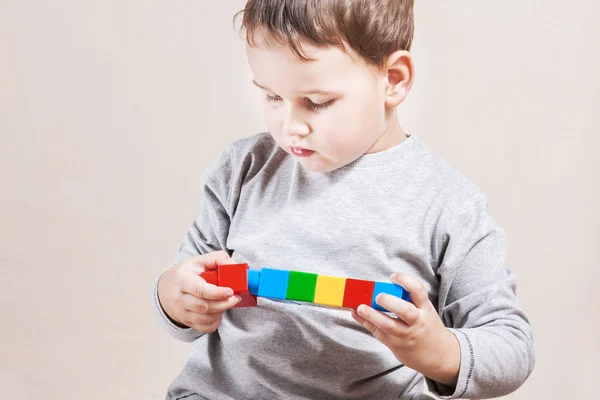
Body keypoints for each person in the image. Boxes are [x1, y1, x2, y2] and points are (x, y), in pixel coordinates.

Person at [153, 1, 535, 399]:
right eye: (272, 97)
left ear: (393, 79)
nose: (290, 127)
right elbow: (188, 285)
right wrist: (175, 295)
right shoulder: (242, 170)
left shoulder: (449, 205)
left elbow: (512, 348)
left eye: (317, 102)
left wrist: (437, 352)